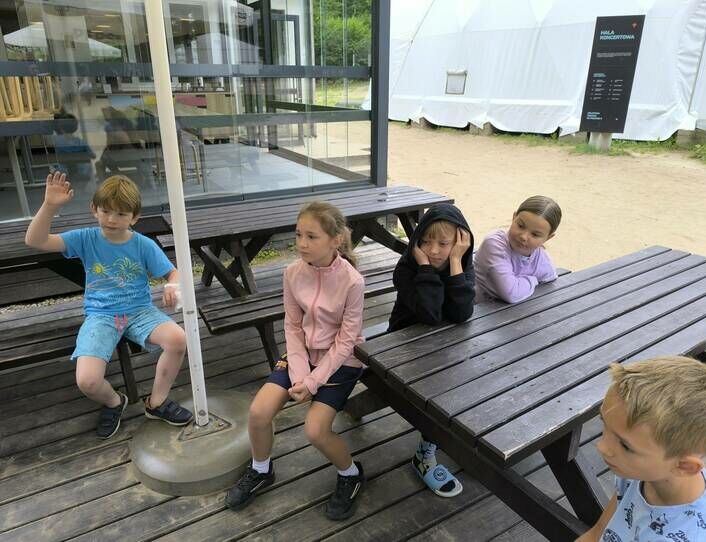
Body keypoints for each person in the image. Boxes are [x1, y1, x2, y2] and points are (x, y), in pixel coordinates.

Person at [225, 201, 366, 520]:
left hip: (341, 362)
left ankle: (351, 474)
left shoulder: (353, 282)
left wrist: (312, 382)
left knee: (315, 431)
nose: (301, 243)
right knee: (259, 412)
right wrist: (301, 374)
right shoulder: (292, 273)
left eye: (311, 236)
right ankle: (261, 469)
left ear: (336, 240)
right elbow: (292, 326)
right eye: (298, 234)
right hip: (302, 356)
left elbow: (346, 342)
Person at [25, 172, 193, 439]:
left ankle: (157, 402)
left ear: (135, 217)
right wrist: (50, 205)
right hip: (101, 316)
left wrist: (172, 286)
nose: (112, 219)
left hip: (140, 311)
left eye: (121, 214)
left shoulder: (144, 245)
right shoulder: (85, 238)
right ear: (94, 209)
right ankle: (115, 402)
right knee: (87, 381)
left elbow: (173, 273)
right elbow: (35, 240)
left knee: (178, 339)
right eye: (106, 211)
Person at [577, 356, 706, 541]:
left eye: (625, 446)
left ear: (684, 466)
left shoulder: (693, 535)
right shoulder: (641, 474)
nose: (602, 447)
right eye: (603, 422)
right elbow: (598, 532)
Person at [388, 203, 475, 497]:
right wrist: (425, 267)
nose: (434, 250)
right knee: (440, 392)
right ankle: (424, 454)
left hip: (444, 346)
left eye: (444, 243)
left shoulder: (462, 265)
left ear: (460, 243)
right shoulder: (406, 269)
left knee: (472, 378)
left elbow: (461, 313)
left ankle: (450, 441)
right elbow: (430, 314)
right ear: (415, 242)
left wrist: (456, 263)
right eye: (425, 241)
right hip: (403, 346)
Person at [474, 195, 561, 304]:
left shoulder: (540, 257)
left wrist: (519, 283)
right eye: (520, 226)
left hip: (514, 312)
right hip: (477, 308)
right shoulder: (494, 244)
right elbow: (510, 293)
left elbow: (550, 277)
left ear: (548, 238)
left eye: (535, 234)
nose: (523, 237)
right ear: (514, 217)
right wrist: (533, 279)